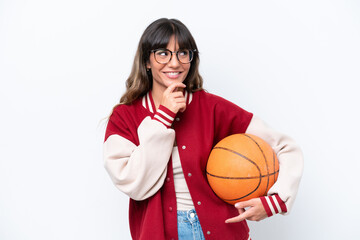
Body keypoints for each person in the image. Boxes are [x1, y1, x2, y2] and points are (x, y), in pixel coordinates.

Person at [103, 18, 303, 240]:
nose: (174, 63)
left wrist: (275, 201)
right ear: (146, 61)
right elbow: (131, 181)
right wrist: (164, 116)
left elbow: (285, 146)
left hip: (222, 231)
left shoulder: (211, 107)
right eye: (162, 53)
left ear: (191, 59)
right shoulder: (124, 117)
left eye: (183, 53)